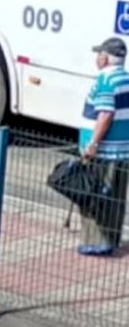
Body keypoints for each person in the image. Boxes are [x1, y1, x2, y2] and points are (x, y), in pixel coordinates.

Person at [77, 36, 129, 256]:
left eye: (100, 53)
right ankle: (112, 238)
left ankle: (97, 242)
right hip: (123, 150)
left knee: (94, 195)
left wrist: (92, 144)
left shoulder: (105, 81)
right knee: (116, 197)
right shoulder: (125, 78)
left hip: (105, 151)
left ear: (107, 58)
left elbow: (105, 114)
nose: (97, 57)